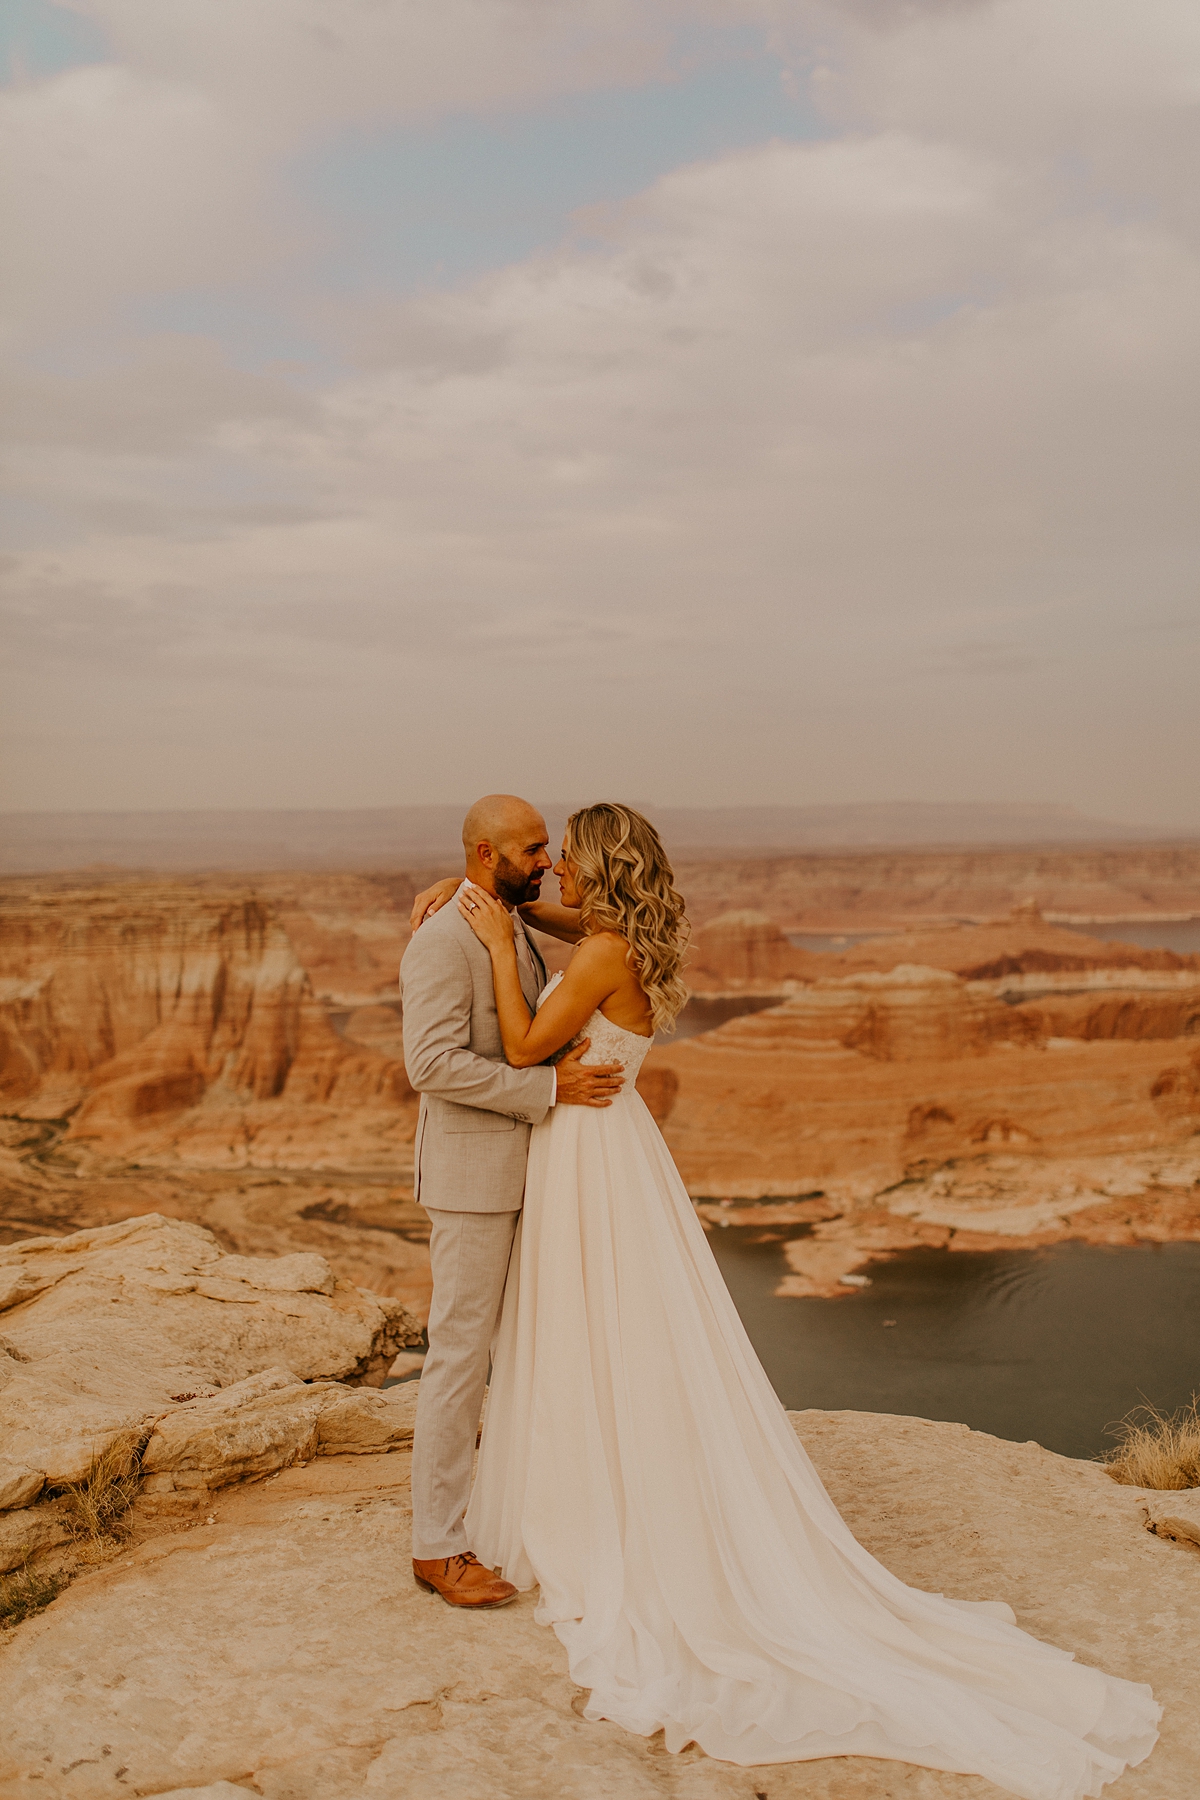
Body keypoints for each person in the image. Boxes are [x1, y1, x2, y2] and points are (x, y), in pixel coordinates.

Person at [419, 799, 1159, 1798]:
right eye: (538, 857)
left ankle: (597, 1518)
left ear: (599, 868)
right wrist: (486, 903)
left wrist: (493, 948)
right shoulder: (616, 935)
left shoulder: (596, 955)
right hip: (604, 1151)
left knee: (592, 1330)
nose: (553, 871)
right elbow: (556, 921)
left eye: (566, 859)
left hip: (583, 1150)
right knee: (605, 1330)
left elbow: (518, 1048)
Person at [400, 794, 625, 1608]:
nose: (549, 863)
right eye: (534, 850)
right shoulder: (443, 940)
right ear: (489, 854)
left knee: (533, 1345)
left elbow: (595, 932)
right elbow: (430, 1065)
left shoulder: (505, 917)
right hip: (473, 1183)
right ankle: (437, 1548)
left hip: (532, 1171)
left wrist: (464, 886)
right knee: (460, 1358)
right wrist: (548, 1088)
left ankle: (528, 1514)